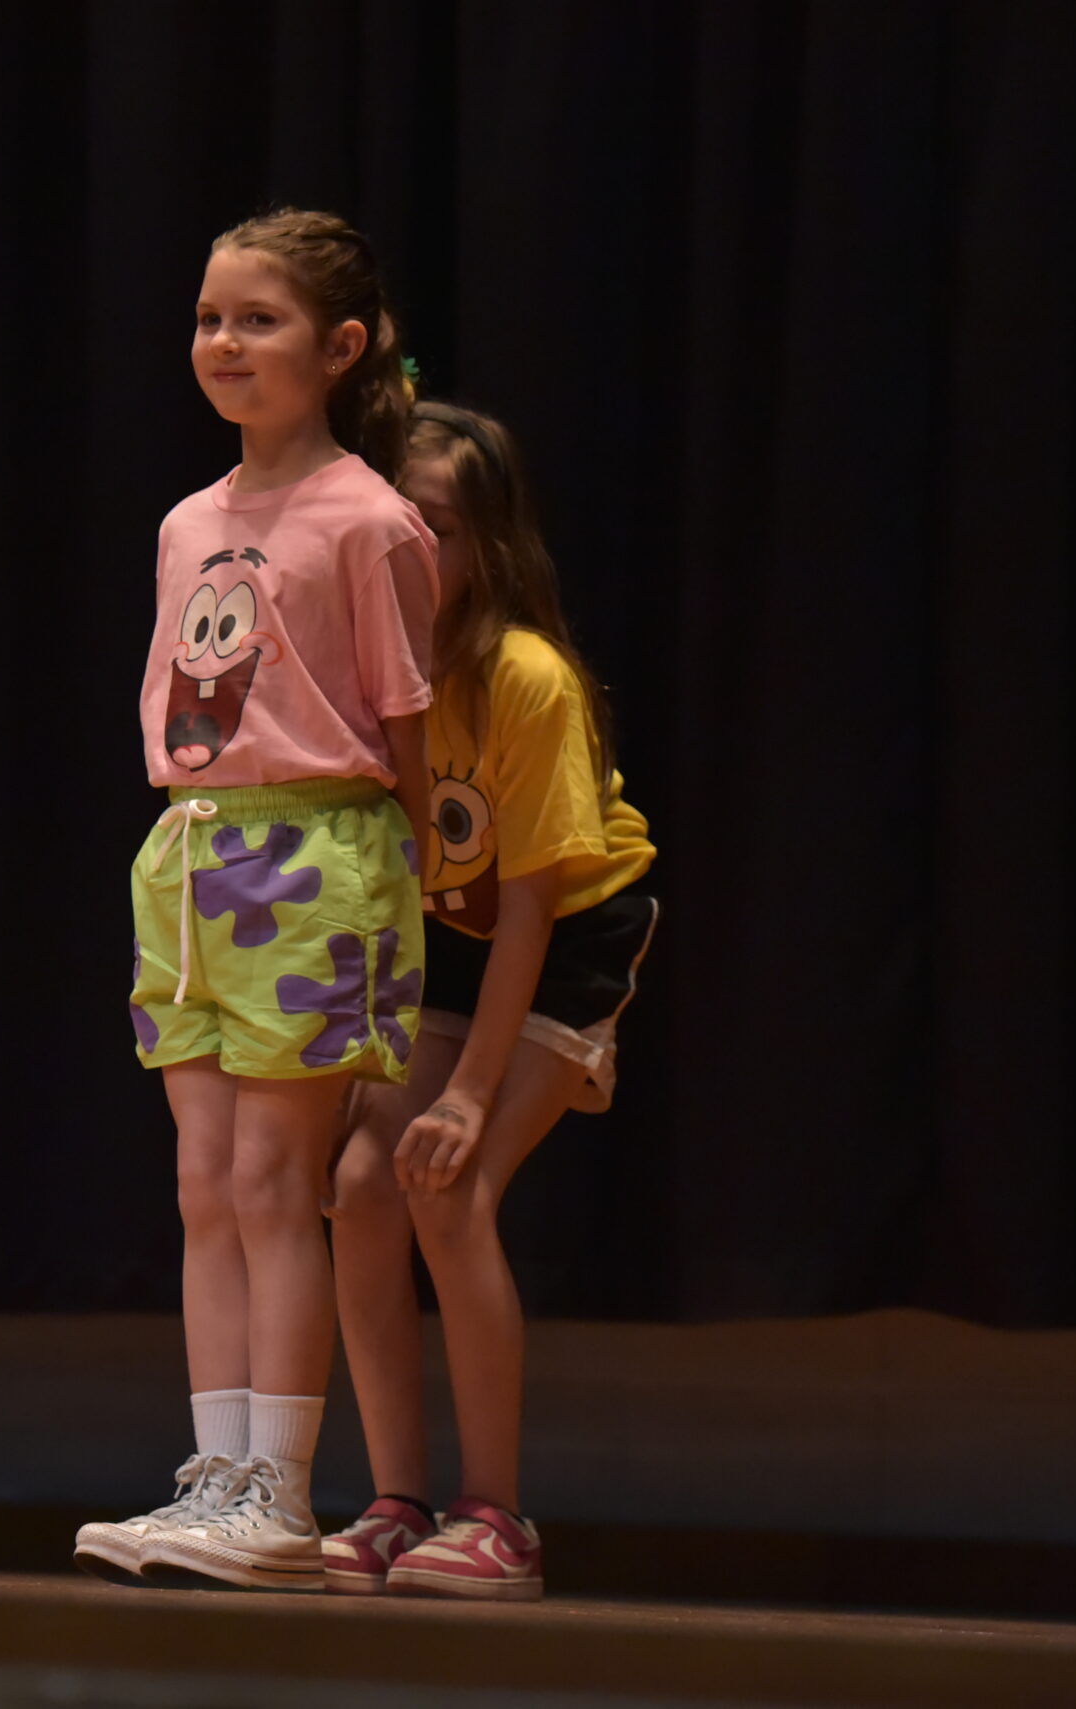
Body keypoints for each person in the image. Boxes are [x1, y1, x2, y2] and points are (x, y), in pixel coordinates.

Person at [72, 209, 438, 1593]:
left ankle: (279, 1492)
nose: (224, 342)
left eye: (258, 319)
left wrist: (398, 878)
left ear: (339, 348)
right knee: (207, 1180)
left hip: (316, 855)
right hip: (190, 854)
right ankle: (216, 1472)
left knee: (280, 1180)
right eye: (209, 318)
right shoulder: (189, 520)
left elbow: (404, 728)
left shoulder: (371, 519)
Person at [321, 400, 658, 1601]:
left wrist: (466, 1093)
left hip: (563, 936)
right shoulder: (368, 665)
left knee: (445, 1181)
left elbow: (529, 907)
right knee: (359, 1182)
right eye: (395, 523)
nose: (414, 550)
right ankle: (395, 1501)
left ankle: (496, 1515)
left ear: (490, 546)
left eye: (442, 529)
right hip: (444, 936)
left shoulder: (527, 678)